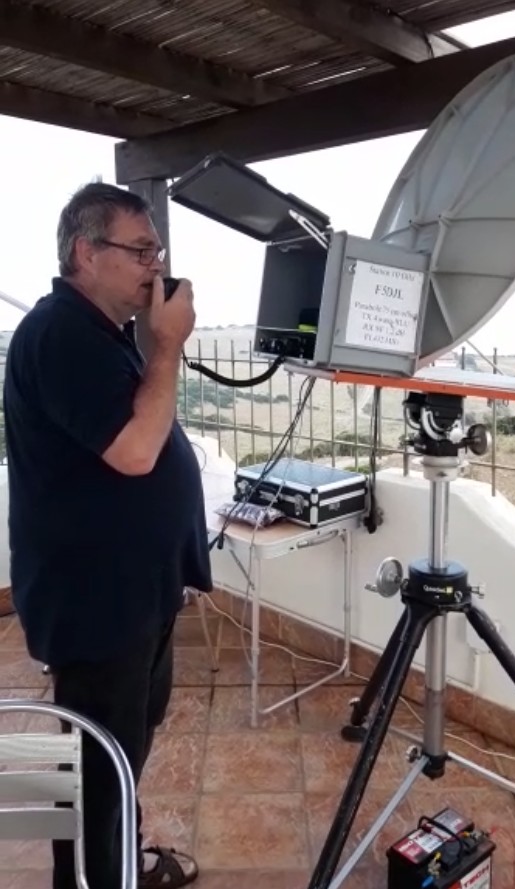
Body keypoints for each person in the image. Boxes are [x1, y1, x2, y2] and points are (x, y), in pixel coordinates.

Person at [3, 182, 213, 889]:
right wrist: (168, 344)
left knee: (118, 753)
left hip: (133, 591)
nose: (157, 265)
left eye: (158, 251)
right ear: (86, 252)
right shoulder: (60, 334)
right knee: (95, 764)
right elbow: (135, 451)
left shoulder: (101, 332)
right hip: (95, 601)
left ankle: (120, 858)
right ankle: (93, 876)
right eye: (142, 250)